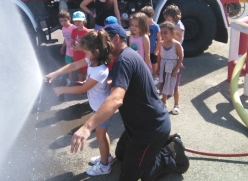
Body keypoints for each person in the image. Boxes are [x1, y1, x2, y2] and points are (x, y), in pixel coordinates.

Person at [69, 24, 190, 180]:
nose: (102, 46)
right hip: (139, 127)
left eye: (106, 41)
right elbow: (123, 84)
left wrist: (87, 127)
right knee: (120, 155)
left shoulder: (123, 61)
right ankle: (155, 150)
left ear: (116, 39)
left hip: (149, 130)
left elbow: (117, 98)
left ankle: (171, 154)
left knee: (129, 176)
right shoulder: (127, 55)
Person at [45, 30, 115, 176]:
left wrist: (64, 89)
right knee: (102, 135)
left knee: (100, 136)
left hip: (102, 109)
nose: (84, 55)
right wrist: (55, 73)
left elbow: (83, 88)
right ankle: (107, 157)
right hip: (98, 106)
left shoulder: (100, 71)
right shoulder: (92, 60)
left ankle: (104, 166)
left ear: (96, 52)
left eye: (86, 52)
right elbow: (73, 66)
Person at [163, 5, 185, 115]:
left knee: (175, 82)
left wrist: (170, 34)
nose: (168, 21)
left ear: (175, 18)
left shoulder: (179, 25)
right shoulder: (168, 28)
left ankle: (176, 105)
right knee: (165, 80)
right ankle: (164, 101)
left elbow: (179, 38)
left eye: (170, 19)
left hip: (175, 55)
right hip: (167, 56)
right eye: (166, 19)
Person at [157, 22, 184, 113]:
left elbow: (180, 57)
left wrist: (176, 70)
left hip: (173, 67)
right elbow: (160, 56)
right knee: (163, 85)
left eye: (165, 32)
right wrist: (157, 68)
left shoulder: (176, 45)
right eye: (162, 33)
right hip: (163, 67)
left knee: (175, 87)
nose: (163, 35)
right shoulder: (161, 43)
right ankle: (164, 102)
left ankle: (176, 105)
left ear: (172, 33)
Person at [140, 6, 162, 84]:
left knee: (154, 63)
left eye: (145, 17)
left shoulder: (156, 26)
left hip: (153, 49)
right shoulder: (144, 26)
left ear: (150, 16)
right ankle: (148, 76)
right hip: (145, 49)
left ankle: (156, 77)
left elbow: (159, 39)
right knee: (146, 62)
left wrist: (157, 49)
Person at [71, 11, 90, 81]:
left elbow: (88, 46)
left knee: (85, 71)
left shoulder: (87, 32)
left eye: (79, 21)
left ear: (84, 21)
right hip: (76, 55)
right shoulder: (74, 31)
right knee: (79, 71)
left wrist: (79, 49)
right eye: (75, 21)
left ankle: (85, 86)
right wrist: (72, 47)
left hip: (84, 55)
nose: (77, 23)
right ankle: (80, 84)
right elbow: (72, 41)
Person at [59, 10, 76, 82]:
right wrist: (63, 47)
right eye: (61, 21)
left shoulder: (74, 28)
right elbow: (65, 39)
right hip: (68, 52)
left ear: (69, 19)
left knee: (78, 66)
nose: (63, 23)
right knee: (69, 66)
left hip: (75, 51)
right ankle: (71, 80)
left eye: (65, 20)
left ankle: (81, 79)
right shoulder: (63, 29)